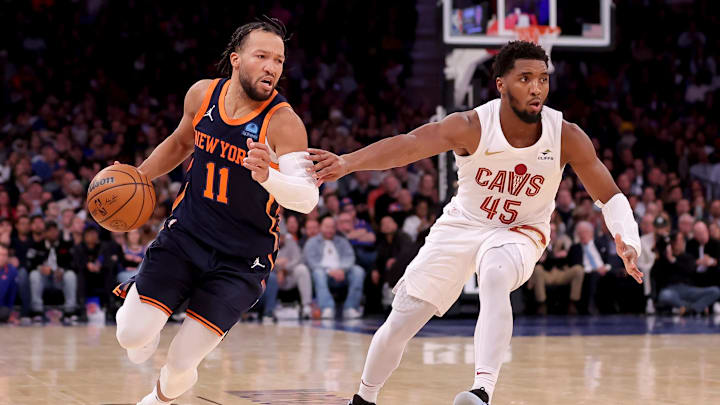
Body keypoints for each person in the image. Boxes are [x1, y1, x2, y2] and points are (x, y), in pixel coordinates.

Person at [308, 41, 642, 405]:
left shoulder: (565, 135)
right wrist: (347, 163)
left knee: (496, 271)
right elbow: (408, 144)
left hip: (522, 230)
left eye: (543, 79)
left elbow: (610, 196)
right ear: (500, 84)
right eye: (525, 78)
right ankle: (364, 399)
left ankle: (481, 391)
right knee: (402, 319)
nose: (536, 88)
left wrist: (628, 239)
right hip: (463, 224)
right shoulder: (471, 125)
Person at [111, 18, 318, 405]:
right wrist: (139, 177)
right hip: (186, 234)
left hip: (242, 258)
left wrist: (268, 177)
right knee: (131, 336)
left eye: (279, 60)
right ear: (236, 60)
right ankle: (145, 323)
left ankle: (156, 401)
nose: (272, 67)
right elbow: (179, 143)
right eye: (262, 56)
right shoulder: (202, 95)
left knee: (180, 365)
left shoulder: (284, 123)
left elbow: (306, 198)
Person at [303, 216, 365, 319]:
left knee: (358, 271)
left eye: (332, 227)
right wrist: (329, 271)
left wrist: (342, 269)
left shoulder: (343, 241)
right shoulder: (311, 242)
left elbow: (350, 257)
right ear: (320, 227)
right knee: (318, 273)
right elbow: (311, 262)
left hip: (342, 272)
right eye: (327, 227)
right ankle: (327, 307)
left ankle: (350, 308)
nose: (329, 230)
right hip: (323, 273)